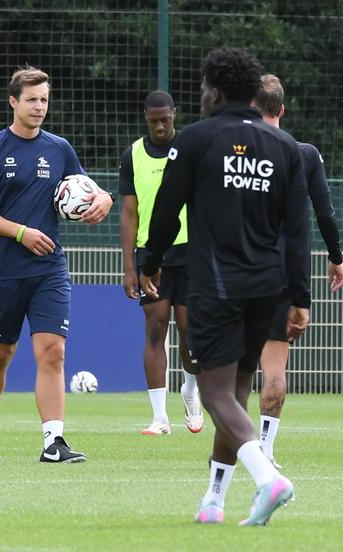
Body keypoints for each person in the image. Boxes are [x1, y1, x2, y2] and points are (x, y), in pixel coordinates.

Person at [140, 47, 311, 526]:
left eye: (202, 87)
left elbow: (166, 210)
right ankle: (213, 502)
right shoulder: (284, 146)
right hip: (268, 289)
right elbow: (298, 231)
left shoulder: (196, 139)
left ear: (214, 91)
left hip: (216, 286)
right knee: (235, 392)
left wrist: (149, 263)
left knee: (214, 394)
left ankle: (267, 478)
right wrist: (300, 297)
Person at [0, 66, 113, 464]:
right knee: (0, 353)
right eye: (31, 99)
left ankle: (54, 442)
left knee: (52, 352)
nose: (39, 106)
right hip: (3, 270)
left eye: (44, 99)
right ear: (13, 102)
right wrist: (21, 233)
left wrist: (105, 199)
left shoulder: (59, 148)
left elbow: (89, 188)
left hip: (49, 269)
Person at [253, 74, 343, 468]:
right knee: (275, 369)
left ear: (251, 108)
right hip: (282, 273)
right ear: (282, 109)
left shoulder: (232, 152)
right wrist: (336, 257)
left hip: (234, 270)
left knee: (231, 369)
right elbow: (324, 212)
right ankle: (265, 450)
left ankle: (233, 447)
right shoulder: (304, 153)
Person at [119, 90, 204, 436]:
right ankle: (160, 418)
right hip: (150, 254)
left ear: (174, 115)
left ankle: (190, 391)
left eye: (165, 120)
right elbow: (129, 212)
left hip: (190, 250)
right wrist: (129, 267)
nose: (159, 126)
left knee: (190, 330)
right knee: (155, 327)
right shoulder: (133, 155)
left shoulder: (191, 149)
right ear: (145, 118)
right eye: (153, 121)